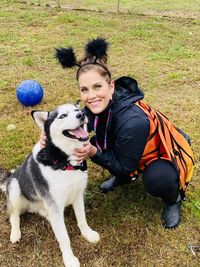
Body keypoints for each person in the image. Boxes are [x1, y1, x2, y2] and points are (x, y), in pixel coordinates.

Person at [52, 38, 194, 229]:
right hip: (132, 147)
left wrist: (94, 152)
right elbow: (77, 126)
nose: (91, 96)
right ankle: (124, 177)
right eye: (84, 89)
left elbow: (124, 164)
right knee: (91, 140)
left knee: (156, 180)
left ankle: (173, 199)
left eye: (97, 87)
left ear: (111, 87)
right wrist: (51, 134)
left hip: (162, 153)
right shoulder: (95, 106)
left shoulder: (132, 122)